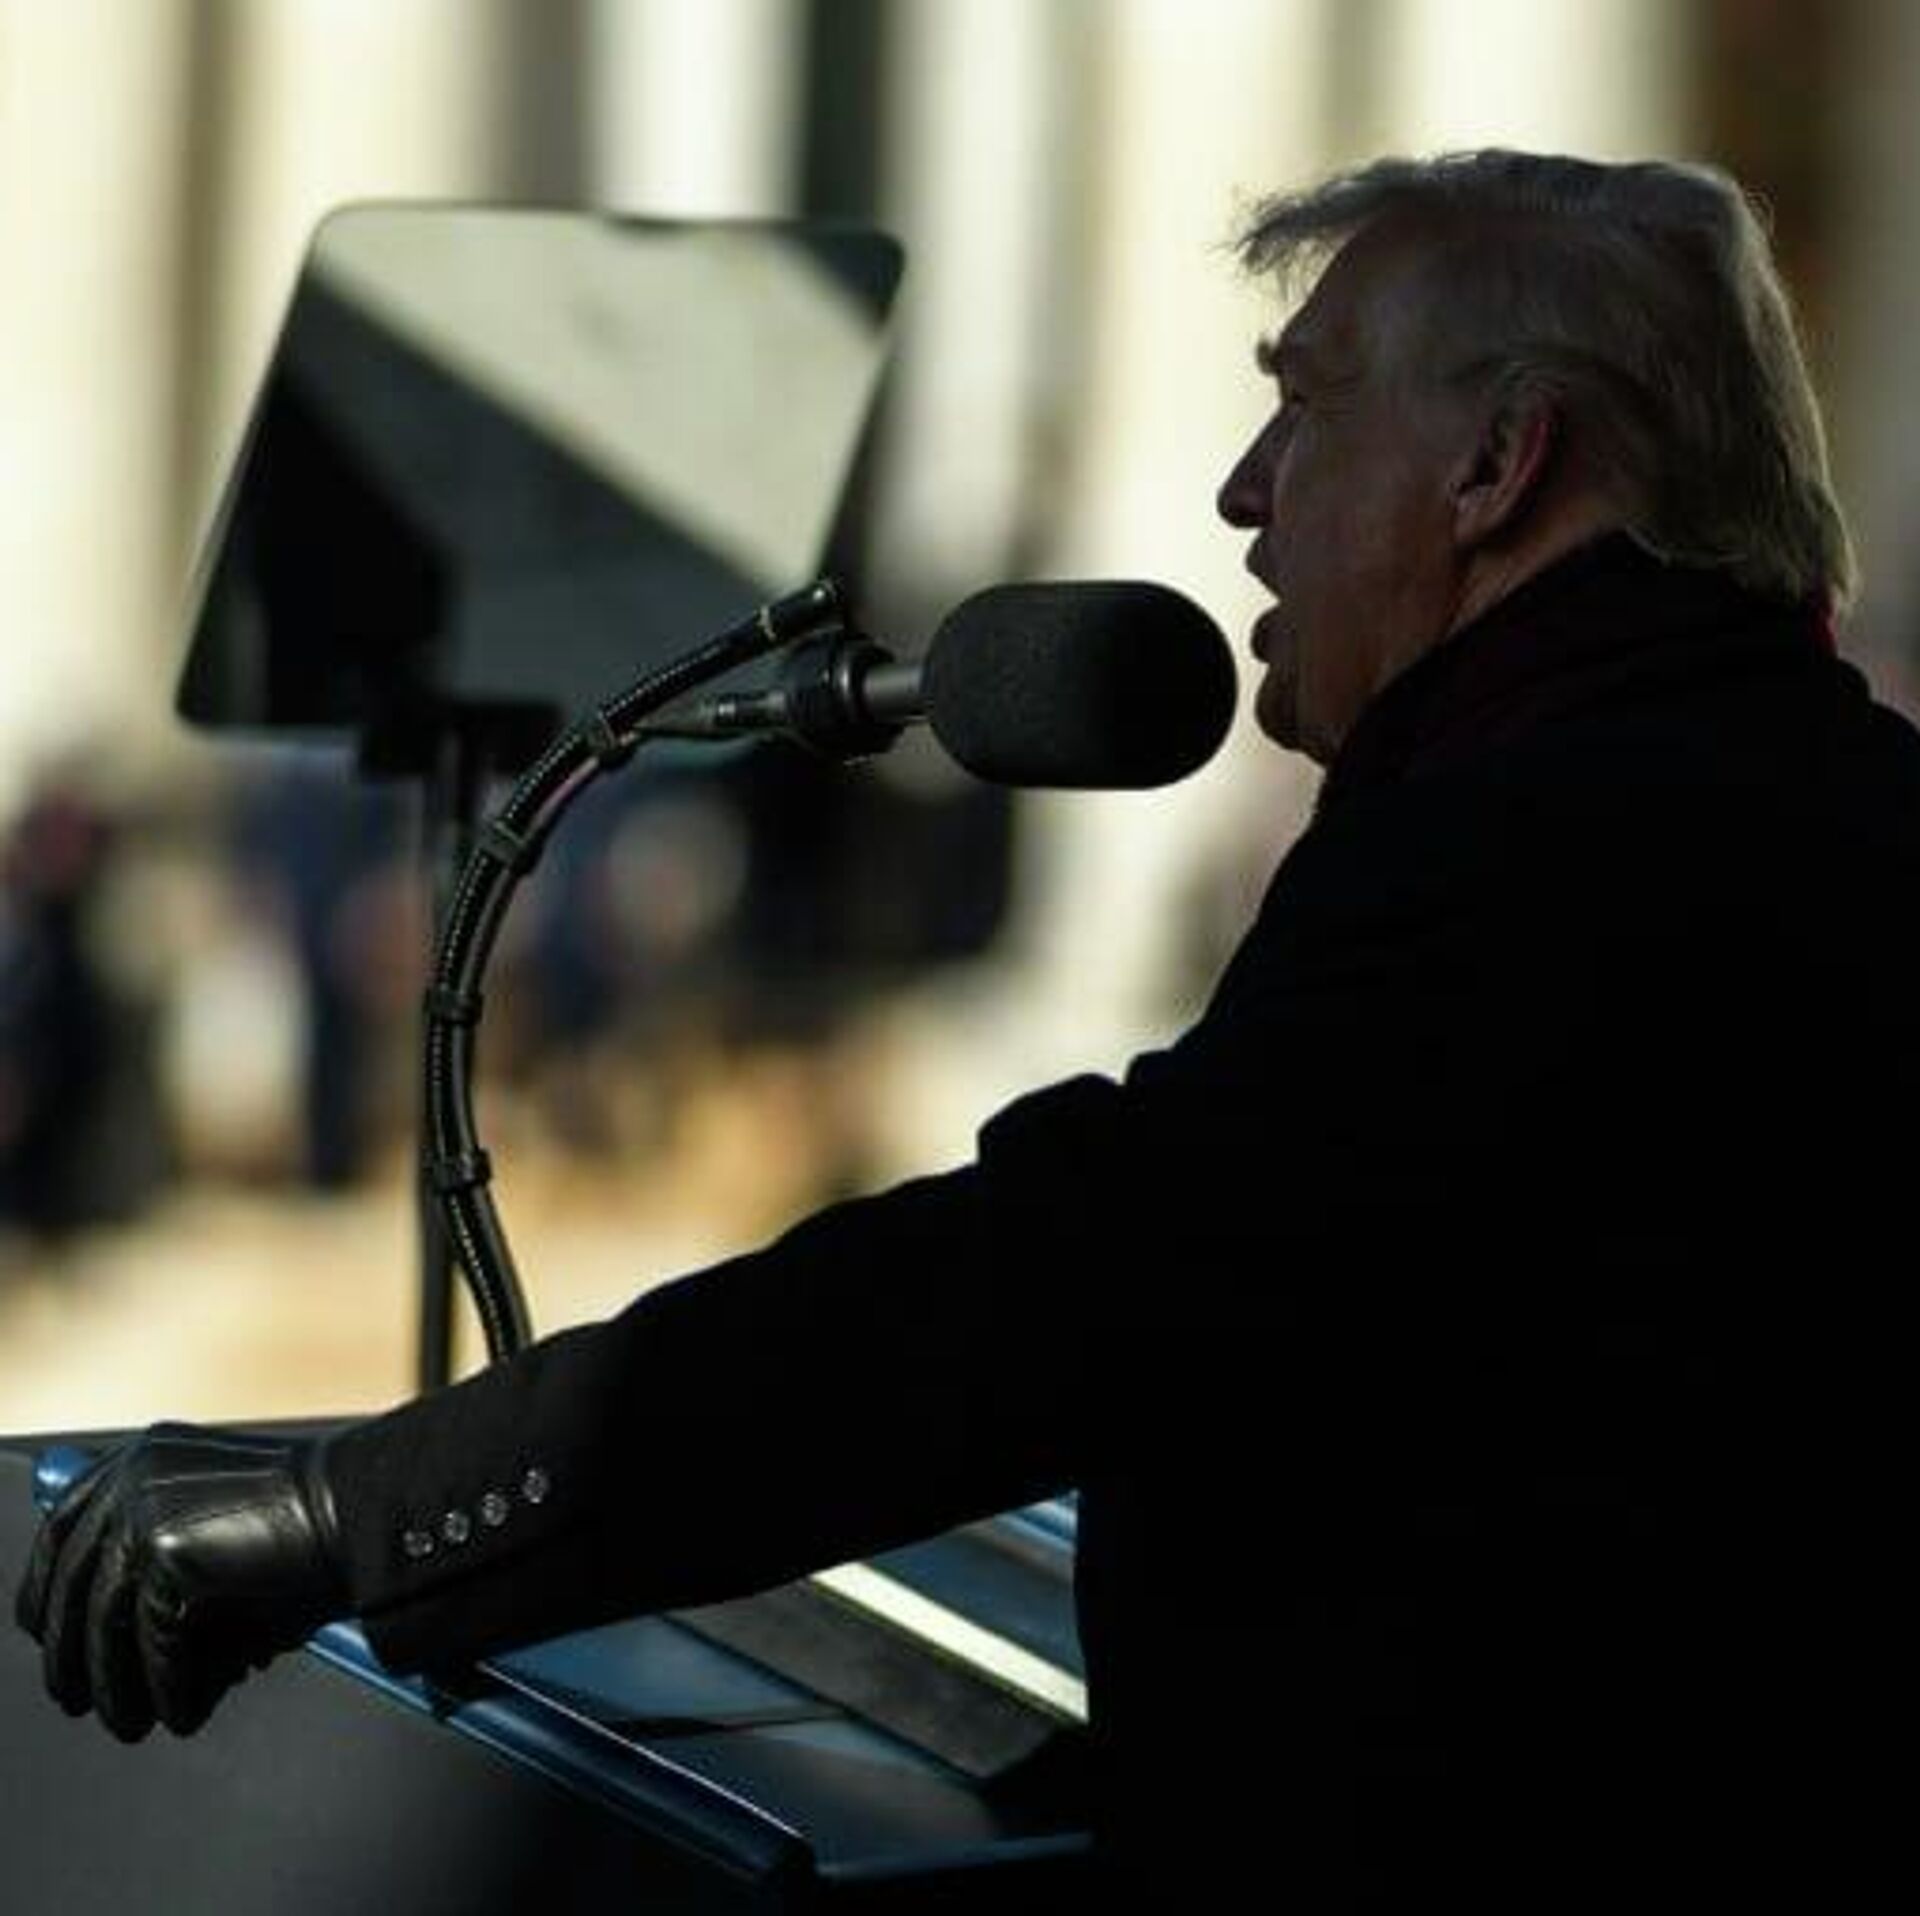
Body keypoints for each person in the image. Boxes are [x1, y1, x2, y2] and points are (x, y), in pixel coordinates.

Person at [17, 150, 1917, 1904]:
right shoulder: (1817, 800)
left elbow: (1031, 1296)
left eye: (1308, 402)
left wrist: (353, 1513)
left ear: (1501, 463)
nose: (1244, 490)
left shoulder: (1548, 854)